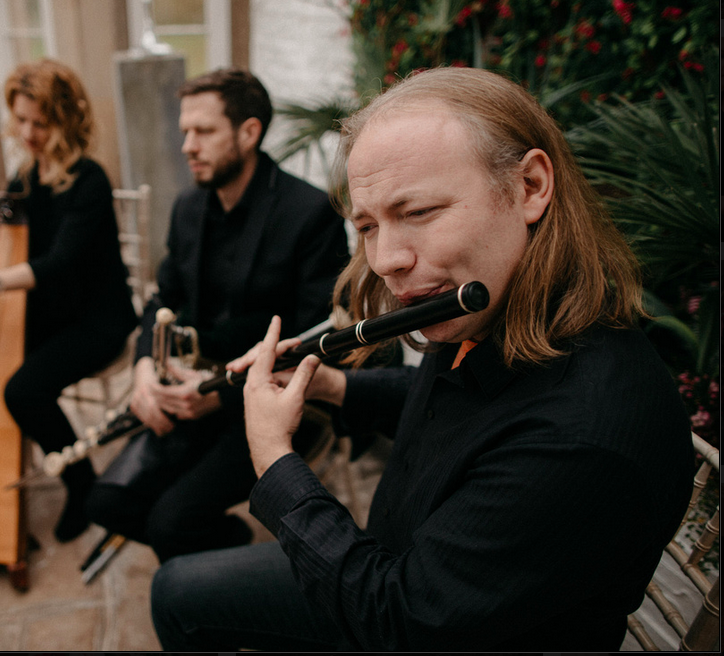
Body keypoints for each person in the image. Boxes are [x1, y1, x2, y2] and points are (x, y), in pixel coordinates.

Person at [149, 67, 696, 651]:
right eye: (367, 225)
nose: (386, 259)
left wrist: (275, 458)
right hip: (396, 559)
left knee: (181, 596)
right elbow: (468, 417)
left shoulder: (583, 436)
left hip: (397, 609)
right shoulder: (487, 311)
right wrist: (334, 387)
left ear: (531, 187)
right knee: (176, 589)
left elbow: (400, 622)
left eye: (418, 213)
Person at [83, 68, 350, 563]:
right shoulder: (188, 207)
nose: (187, 145)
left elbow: (309, 337)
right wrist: (144, 368)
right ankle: (217, 541)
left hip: (272, 405)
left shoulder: (310, 212)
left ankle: (204, 561)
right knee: (104, 501)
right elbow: (162, 298)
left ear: (249, 133)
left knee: (170, 524)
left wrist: (220, 393)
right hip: (190, 395)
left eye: (203, 131)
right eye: (185, 131)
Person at [0, 59, 138, 543]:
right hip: (48, 311)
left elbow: (60, 262)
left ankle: (81, 481)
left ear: (65, 121)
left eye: (39, 122)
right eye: (20, 119)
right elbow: (3, 231)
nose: (27, 131)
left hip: (96, 318)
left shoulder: (90, 181)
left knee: (23, 389)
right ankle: (10, 448)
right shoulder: (27, 174)